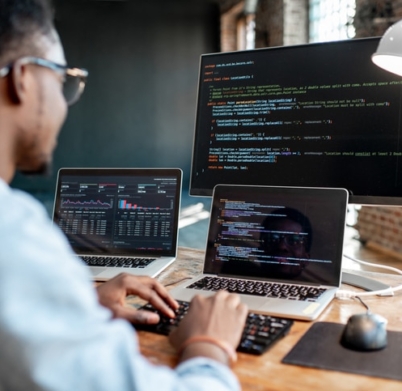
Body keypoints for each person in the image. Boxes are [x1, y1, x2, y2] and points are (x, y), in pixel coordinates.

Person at [0, 1, 248, 390]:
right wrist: (209, 345)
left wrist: (78, 309)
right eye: (63, 78)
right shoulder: (13, 238)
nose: (65, 105)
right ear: (23, 79)